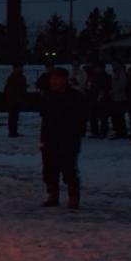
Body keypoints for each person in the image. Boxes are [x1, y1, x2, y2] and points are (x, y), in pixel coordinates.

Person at [39, 67, 88, 209]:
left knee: (69, 169)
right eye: (52, 79)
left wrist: (75, 134)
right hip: (50, 138)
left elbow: (81, 118)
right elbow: (45, 119)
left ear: (64, 80)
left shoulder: (75, 97)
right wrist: (43, 139)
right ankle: (52, 195)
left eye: (57, 79)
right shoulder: (48, 96)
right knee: (49, 168)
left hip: (68, 138)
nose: (53, 82)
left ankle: (73, 197)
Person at [86, 63, 111, 138]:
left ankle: (103, 132)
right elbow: (88, 86)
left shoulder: (106, 76)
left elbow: (106, 88)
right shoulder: (92, 76)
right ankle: (95, 131)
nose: (97, 69)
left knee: (103, 117)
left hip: (102, 99)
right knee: (93, 116)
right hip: (93, 98)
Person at [3, 63, 27, 138]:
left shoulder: (16, 76)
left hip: (15, 99)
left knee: (14, 117)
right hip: (14, 99)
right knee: (13, 117)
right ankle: (12, 132)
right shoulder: (15, 77)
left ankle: (13, 132)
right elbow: (10, 89)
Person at [108, 59, 128, 139]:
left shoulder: (121, 73)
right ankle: (117, 131)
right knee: (115, 116)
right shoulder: (115, 73)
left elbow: (121, 84)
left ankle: (122, 132)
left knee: (120, 116)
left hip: (120, 98)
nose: (114, 65)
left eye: (115, 64)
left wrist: (113, 91)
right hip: (115, 98)